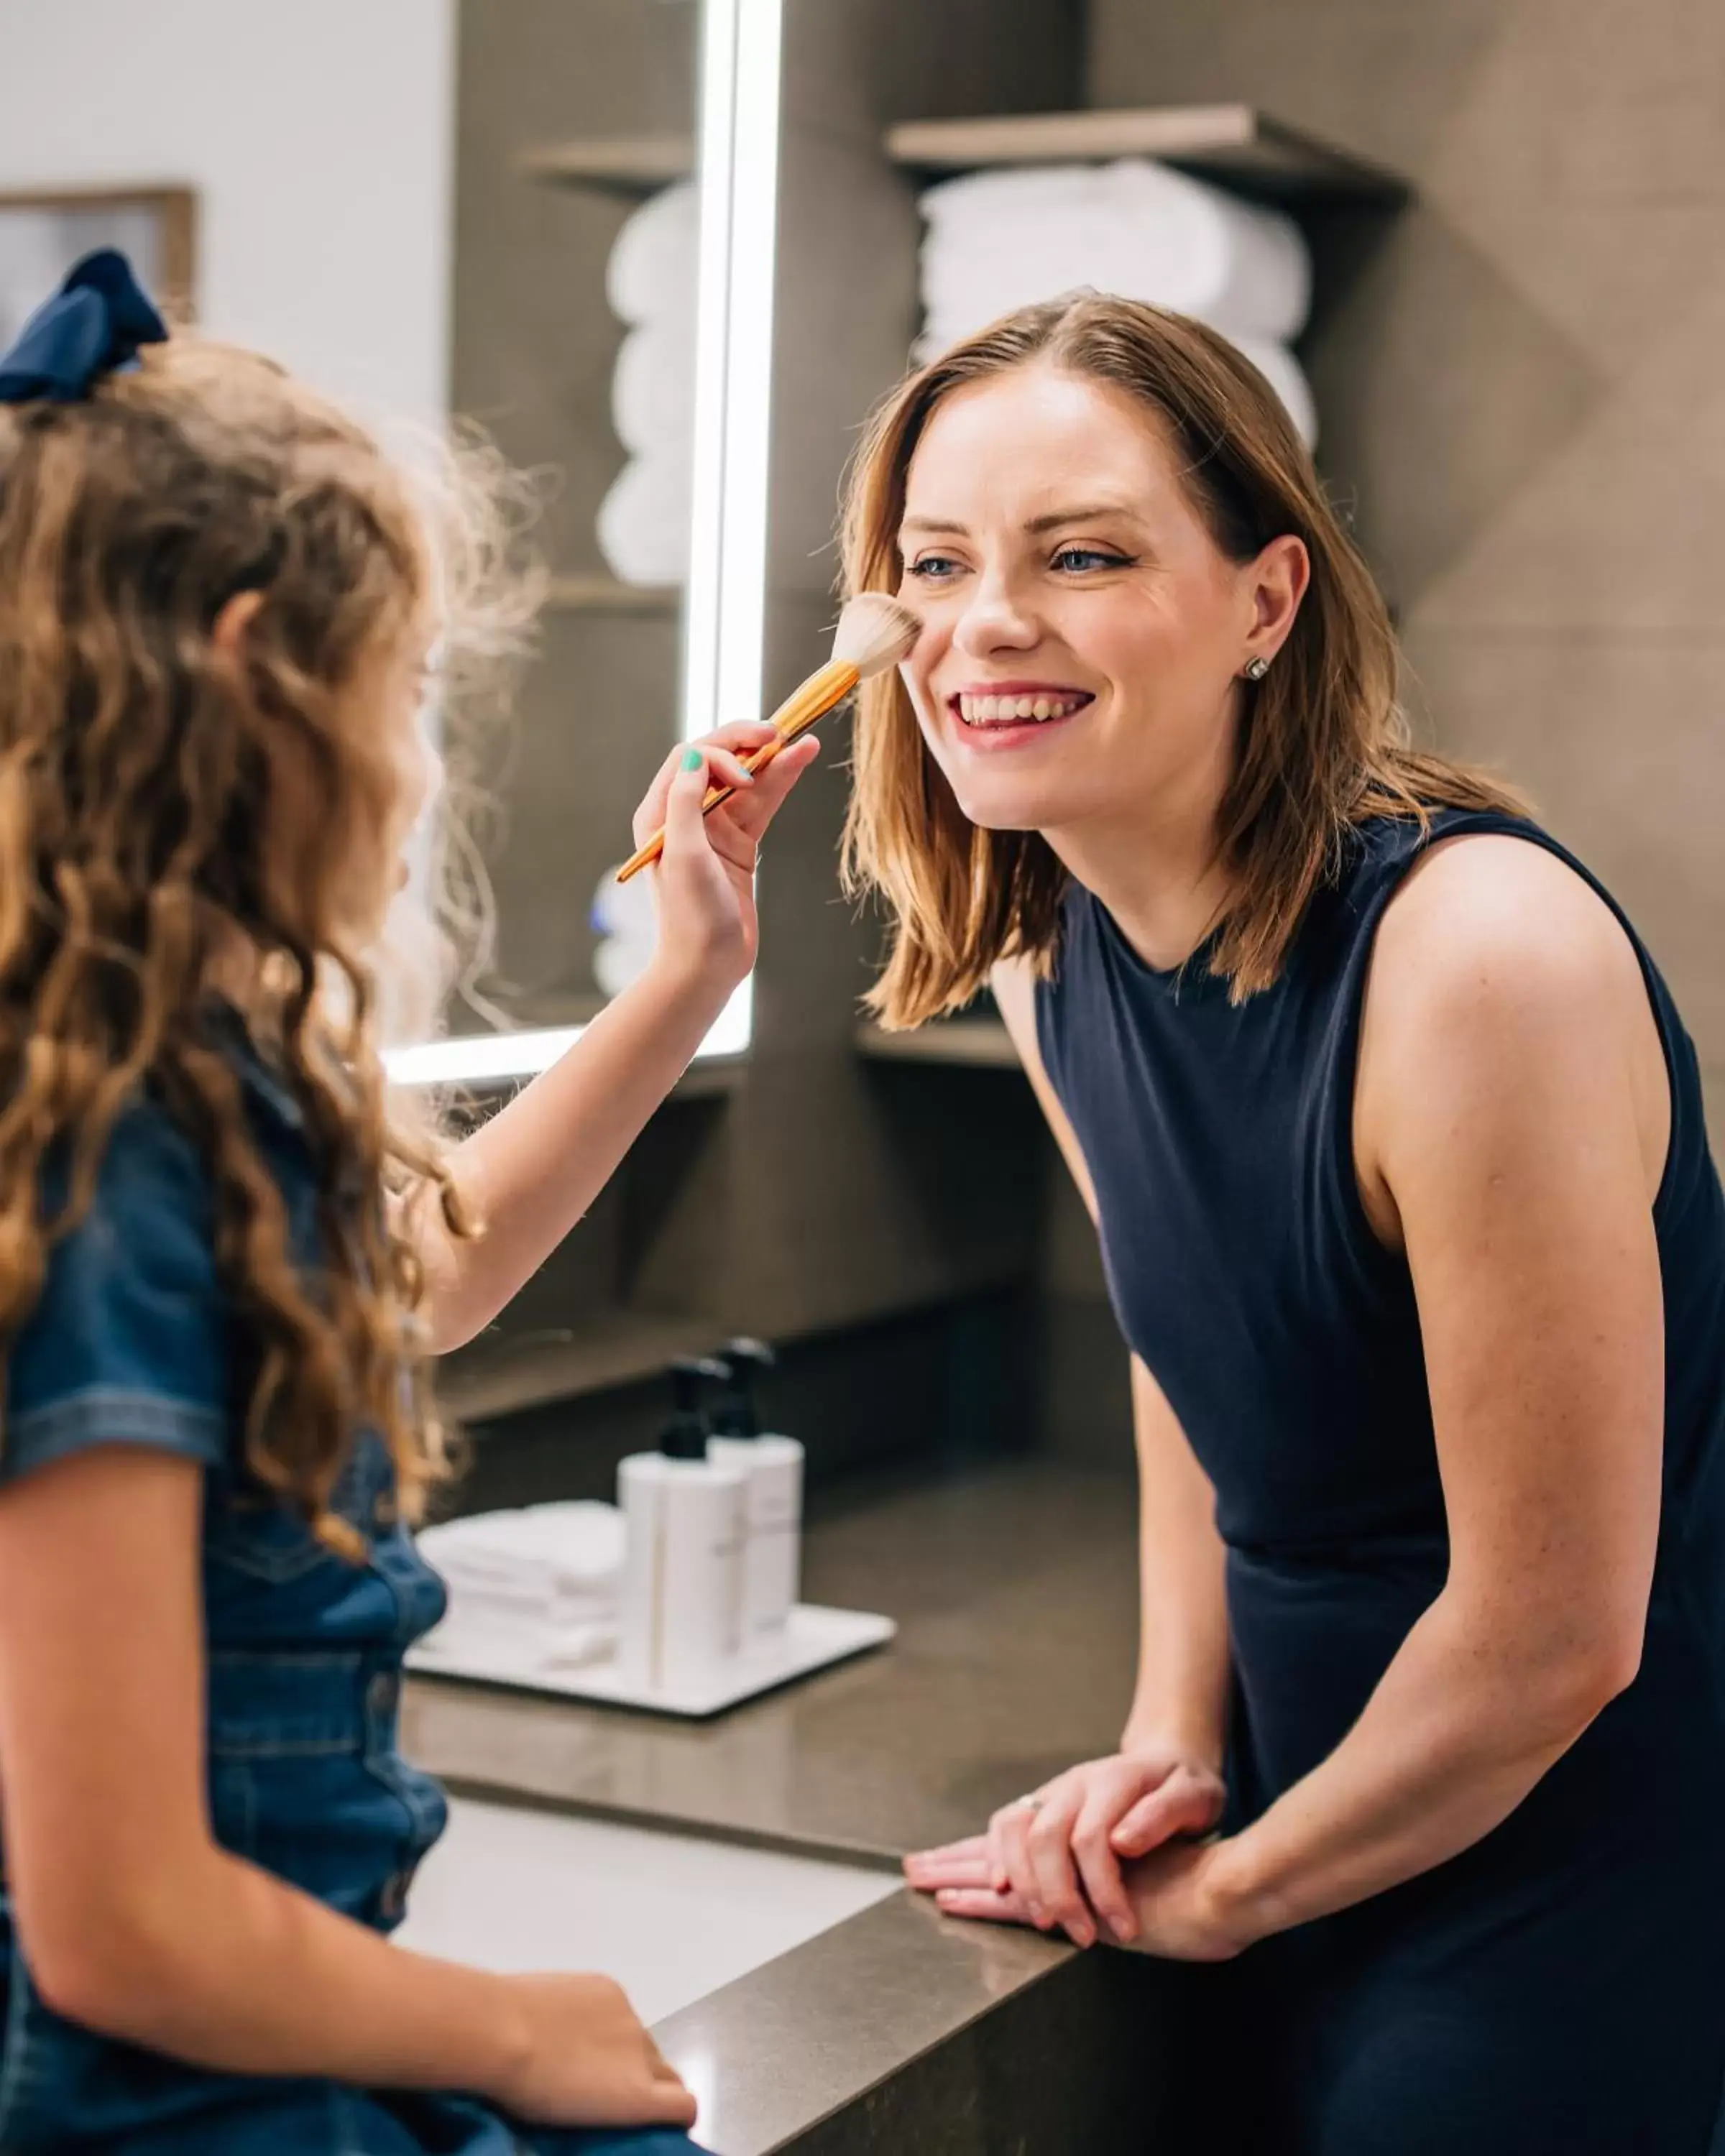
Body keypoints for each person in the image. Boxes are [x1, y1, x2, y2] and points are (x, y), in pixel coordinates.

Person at [847, 292, 1725, 2152]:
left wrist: (1237, 1892)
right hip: (1304, 1800)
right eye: (936, 563)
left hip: (1582, 1854)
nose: (984, 621)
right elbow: (1193, 1372)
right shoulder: (1046, 950)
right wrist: (1174, 1737)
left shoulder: (1476, 963)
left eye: (1080, 553)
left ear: (1268, 600)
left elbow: (1559, 1633)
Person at [0, 250, 816, 2154]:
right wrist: (501, 2031)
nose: (419, 762)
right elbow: (121, 1926)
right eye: (405, 695)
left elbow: (418, 1277)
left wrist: (687, 973)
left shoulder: (184, 1075)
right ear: (250, 673)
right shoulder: (91, 1170)